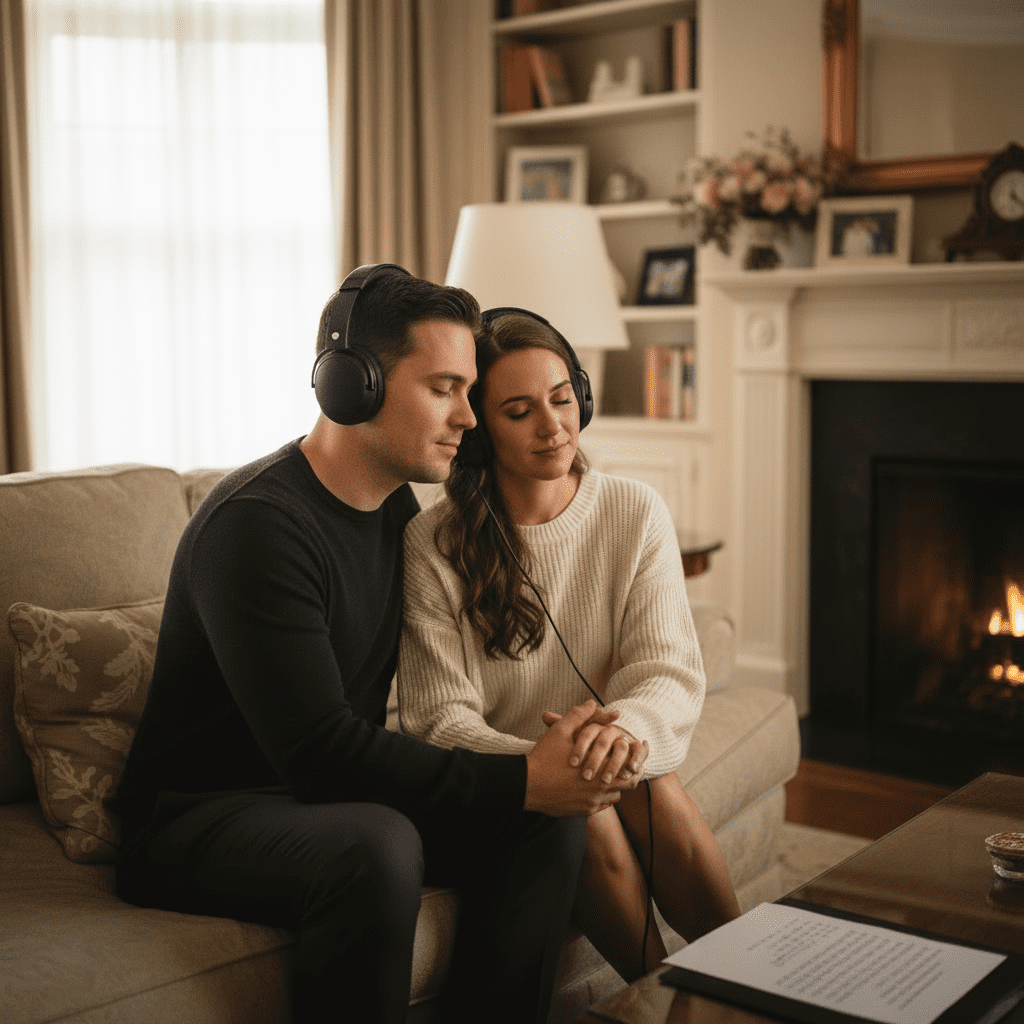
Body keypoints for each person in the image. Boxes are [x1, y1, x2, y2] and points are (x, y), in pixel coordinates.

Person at [112, 266, 640, 1024]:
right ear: (351, 386)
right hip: (196, 821)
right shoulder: (257, 527)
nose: (469, 416)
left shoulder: (401, 515)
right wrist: (521, 776)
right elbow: (321, 751)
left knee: (545, 818)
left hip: (320, 798)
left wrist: (560, 758)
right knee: (379, 840)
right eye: (444, 388)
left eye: (470, 392)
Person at [398, 308, 742, 983]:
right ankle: (663, 992)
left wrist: (617, 736)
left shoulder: (633, 510)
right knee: (590, 813)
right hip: (501, 782)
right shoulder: (431, 544)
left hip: (603, 757)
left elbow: (665, 670)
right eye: (520, 410)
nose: (552, 425)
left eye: (561, 399)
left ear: (580, 396)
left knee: (649, 783)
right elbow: (438, 720)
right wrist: (548, 765)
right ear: (479, 431)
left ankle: (753, 978)